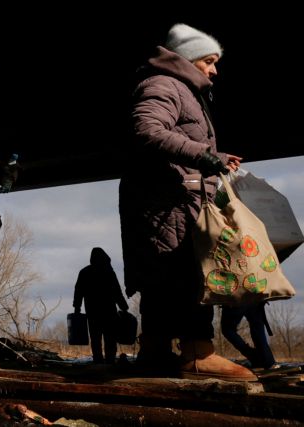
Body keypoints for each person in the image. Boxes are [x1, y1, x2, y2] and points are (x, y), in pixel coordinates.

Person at [118, 23, 256, 380]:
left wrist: (216, 155)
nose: (214, 70)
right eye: (208, 61)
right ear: (188, 59)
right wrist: (204, 156)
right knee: (188, 273)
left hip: (169, 199)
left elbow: (173, 139)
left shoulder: (180, 90)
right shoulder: (164, 85)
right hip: (168, 203)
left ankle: (155, 351)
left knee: (164, 276)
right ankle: (198, 353)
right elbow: (147, 129)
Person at [73, 247, 129, 364]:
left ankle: (98, 360)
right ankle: (110, 361)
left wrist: (77, 308)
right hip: (109, 311)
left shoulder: (84, 272)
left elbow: (78, 291)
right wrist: (124, 307)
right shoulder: (109, 272)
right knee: (110, 338)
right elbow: (117, 292)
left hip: (92, 312)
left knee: (95, 338)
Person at [221, 302, 277, 370]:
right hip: (256, 297)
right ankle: (269, 362)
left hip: (236, 299)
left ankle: (254, 357)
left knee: (227, 329)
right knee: (257, 329)